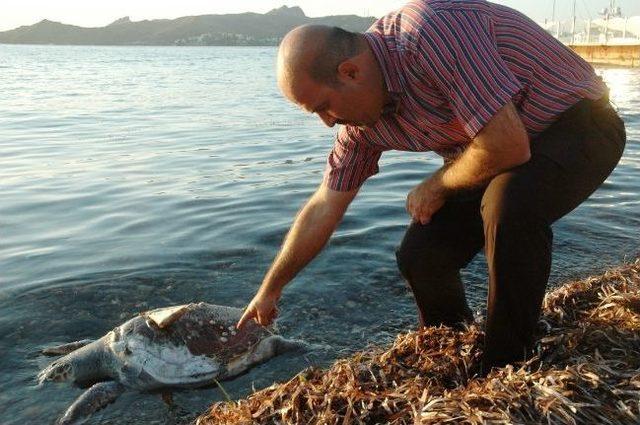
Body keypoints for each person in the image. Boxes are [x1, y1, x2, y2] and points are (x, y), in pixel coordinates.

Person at [236, 0, 626, 373]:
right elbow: (325, 205)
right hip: (497, 149)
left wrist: (437, 184)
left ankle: (507, 361)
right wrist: (270, 290)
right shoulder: (361, 126)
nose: (326, 122)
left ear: (350, 72)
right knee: (420, 253)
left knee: (508, 204)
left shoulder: (428, 31)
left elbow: (507, 144)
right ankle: (452, 344)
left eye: (322, 106)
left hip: (581, 124)